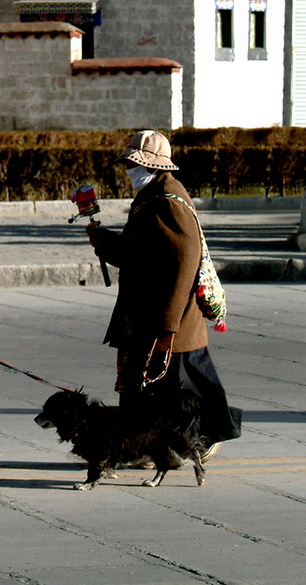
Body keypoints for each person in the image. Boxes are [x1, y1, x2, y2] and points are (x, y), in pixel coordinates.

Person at [86, 130, 241, 462]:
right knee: (154, 385)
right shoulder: (150, 196)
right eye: (128, 164)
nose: (129, 170)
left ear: (153, 166)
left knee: (189, 384)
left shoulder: (169, 201)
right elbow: (140, 253)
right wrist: (107, 242)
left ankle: (210, 435)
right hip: (148, 313)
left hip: (169, 317)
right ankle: (144, 445)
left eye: (134, 164)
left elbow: (184, 263)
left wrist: (168, 326)